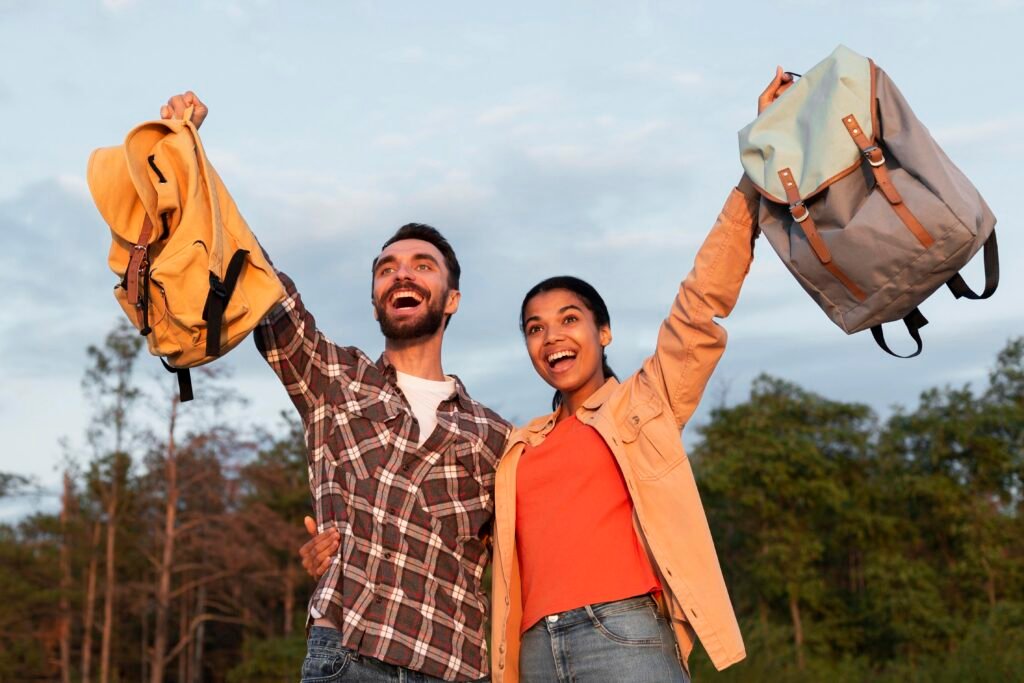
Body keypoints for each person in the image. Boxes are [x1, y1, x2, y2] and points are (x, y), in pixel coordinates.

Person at [300, 68, 793, 682]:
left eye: (569, 319)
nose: (552, 336)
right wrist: (337, 551)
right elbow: (444, 536)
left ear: (602, 332)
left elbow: (702, 302)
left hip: (626, 635)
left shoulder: (644, 405)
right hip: (528, 652)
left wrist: (759, 163)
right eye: (535, 327)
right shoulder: (513, 446)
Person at [158, 95, 511, 683]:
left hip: (457, 664)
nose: (402, 272)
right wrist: (189, 153)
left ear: (452, 299)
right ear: (376, 297)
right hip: (348, 656)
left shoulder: (497, 436)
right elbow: (258, 277)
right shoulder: (334, 381)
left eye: (423, 265)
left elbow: (530, 554)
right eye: (386, 267)